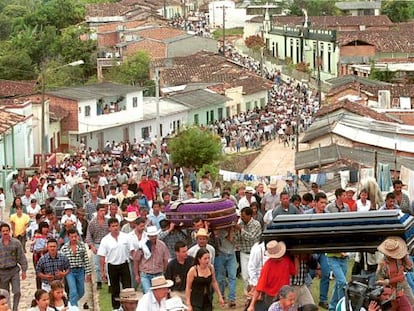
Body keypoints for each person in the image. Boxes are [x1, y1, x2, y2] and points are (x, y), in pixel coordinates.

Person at [247, 240, 298, 311]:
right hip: (272, 297)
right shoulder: (267, 266)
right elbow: (259, 288)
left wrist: (296, 258)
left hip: (284, 295)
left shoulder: (286, 260)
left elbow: (294, 272)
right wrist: (252, 305)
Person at [98, 217, 131, 310]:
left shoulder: (125, 237)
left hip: (124, 264)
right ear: (109, 228)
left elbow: (131, 250)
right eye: (113, 226)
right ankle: (116, 307)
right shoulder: (105, 240)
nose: (115, 228)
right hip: (112, 266)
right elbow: (102, 257)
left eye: (117, 225)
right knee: (115, 289)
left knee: (127, 288)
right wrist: (102, 271)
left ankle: (127, 306)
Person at [376, 236, 413, 311]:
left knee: (411, 304)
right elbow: (379, 278)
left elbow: (409, 269)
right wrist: (379, 269)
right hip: (390, 290)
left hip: (403, 286)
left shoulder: (400, 259)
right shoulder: (382, 262)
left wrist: (405, 257)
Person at [60, 228, 92, 307]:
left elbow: (86, 260)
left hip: (80, 270)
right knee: (73, 291)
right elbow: (61, 262)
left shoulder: (82, 246)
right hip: (70, 271)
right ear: (68, 237)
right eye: (72, 237)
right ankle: (74, 307)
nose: (74, 238)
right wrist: (62, 274)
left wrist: (88, 273)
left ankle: (70, 303)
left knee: (81, 291)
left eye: (75, 236)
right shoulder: (64, 248)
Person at [133, 225, 169, 294]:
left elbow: (165, 259)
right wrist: (137, 275)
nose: (153, 237)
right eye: (151, 236)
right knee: (148, 294)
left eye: (155, 235)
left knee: (159, 294)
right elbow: (136, 260)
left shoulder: (162, 245)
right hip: (145, 274)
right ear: (148, 236)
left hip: (158, 273)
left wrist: (164, 271)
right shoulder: (142, 245)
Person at [0, 223, 28, 311]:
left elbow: (21, 257)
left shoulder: (16, 243)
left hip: (14, 270)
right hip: (2, 272)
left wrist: (24, 270)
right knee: (5, 294)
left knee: (17, 291)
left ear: (10, 231)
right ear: (0, 232)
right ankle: (7, 308)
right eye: (3, 231)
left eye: (7, 231)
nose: (5, 233)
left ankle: (15, 308)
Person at [234, 207, 262, 290]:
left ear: (250, 215)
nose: (242, 218)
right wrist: (236, 231)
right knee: (245, 276)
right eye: (241, 216)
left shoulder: (256, 224)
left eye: (243, 216)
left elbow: (251, 237)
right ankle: (248, 295)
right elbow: (237, 240)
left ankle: (256, 292)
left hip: (255, 253)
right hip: (243, 252)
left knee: (255, 274)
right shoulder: (241, 224)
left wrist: (240, 230)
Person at [85, 203, 108, 290]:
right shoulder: (92, 222)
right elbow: (89, 235)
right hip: (97, 244)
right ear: (97, 211)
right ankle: (99, 281)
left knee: (107, 264)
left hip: (106, 245)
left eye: (104, 211)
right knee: (97, 264)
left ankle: (108, 280)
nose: (102, 212)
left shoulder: (108, 221)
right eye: (101, 211)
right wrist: (92, 246)